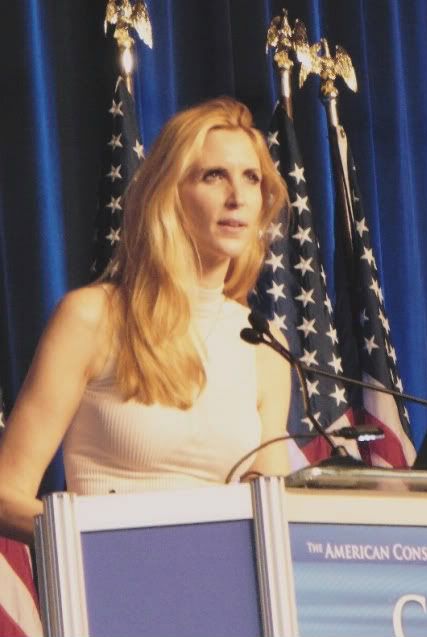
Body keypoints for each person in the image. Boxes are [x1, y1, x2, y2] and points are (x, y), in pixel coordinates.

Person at [0, 97, 291, 546]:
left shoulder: (263, 345)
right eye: (214, 176)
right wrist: (106, 545)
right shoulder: (93, 317)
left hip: (222, 580)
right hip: (106, 576)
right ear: (169, 195)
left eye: (251, 178)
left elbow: (273, 513)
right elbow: (7, 495)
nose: (237, 197)